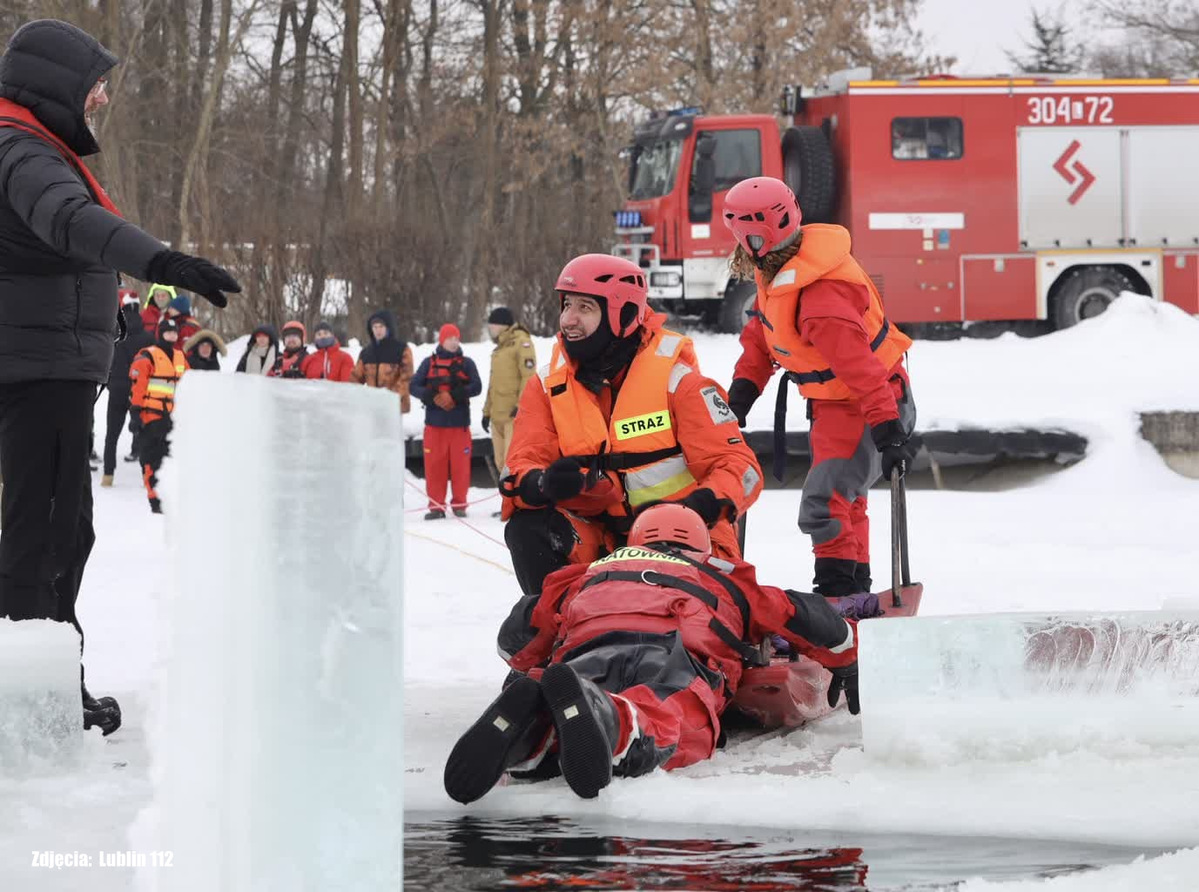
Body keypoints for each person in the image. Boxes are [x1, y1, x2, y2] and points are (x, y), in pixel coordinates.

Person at [0, 19, 239, 736]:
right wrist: (163, 262)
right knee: (44, 538)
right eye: (94, 85)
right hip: (38, 374)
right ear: (54, 87)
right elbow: (72, 222)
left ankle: (47, 687)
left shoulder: (23, 143)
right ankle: (34, 703)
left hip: (45, 368)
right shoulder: (25, 153)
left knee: (60, 533)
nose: (101, 99)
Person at [443, 503, 862, 803]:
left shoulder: (588, 571)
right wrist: (847, 656)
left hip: (587, 644)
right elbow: (803, 613)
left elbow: (517, 634)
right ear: (701, 546)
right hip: (675, 651)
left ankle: (535, 733)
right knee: (673, 712)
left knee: (568, 684)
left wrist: (530, 665)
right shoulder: (722, 574)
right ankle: (618, 725)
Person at [499, 253, 763, 597]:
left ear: (621, 315)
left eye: (585, 308)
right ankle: (564, 631)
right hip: (600, 541)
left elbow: (742, 469)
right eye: (566, 306)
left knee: (677, 611)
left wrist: (702, 506)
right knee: (527, 527)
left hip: (683, 536)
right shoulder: (547, 386)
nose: (569, 320)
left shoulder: (679, 382)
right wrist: (543, 482)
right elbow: (520, 465)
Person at [722, 176, 917, 601]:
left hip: (871, 401)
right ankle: (854, 595)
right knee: (845, 502)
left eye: (743, 236)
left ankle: (837, 596)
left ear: (760, 237)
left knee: (824, 502)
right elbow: (760, 340)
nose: (738, 246)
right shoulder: (777, 271)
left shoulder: (821, 299)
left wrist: (889, 431)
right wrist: (736, 402)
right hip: (834, 402)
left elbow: (863, 370)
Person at [411, 324, 482, 519]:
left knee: (461, 468)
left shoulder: (467, 363)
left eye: (456, 338)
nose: (453, 341)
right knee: (435, 468)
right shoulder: (428, 362)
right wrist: (432, 396)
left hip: (459, 426)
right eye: (450, 338)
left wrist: (455, 395)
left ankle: (460, 505)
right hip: (434, 426)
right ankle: (436, 507)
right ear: (442, 340)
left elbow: (477, 386)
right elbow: (413, 386)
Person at [129, 317, 188, 513]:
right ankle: (154, 497)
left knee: (170, 457)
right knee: (152, 457)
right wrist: (135, 413)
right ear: (160, 333)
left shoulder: (181, 357)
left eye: (174, 332)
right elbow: (138, 386)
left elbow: (190, 384)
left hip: (174, 417)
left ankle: (168, 495)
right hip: (151, 415)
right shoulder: (148, 356)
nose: (171, 335)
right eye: (167, 331)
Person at [482, 306, 537, 507]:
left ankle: (517, 503)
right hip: (497, 415)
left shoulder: (521, 343)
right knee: (500, 462)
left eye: (493, 325)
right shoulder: (499, 349)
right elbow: (493, 383)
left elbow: (528, 376)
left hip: (513, 416)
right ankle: (508, 501)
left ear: (503, 325)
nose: (491, 329)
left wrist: (520, 405)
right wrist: (486, 412)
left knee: (511, 462)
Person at [100, 294, 153, 487]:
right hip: (138, 391)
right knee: (143, 433)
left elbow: (106, 360)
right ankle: (145, 475)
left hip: (117, 390)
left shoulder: (114, 335)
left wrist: (109, 381)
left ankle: (108, 475)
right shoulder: (148, 338)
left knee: (111, 435)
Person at [350, 309, 414, 413]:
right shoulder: (366, 352)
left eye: (381, 327)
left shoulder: (401, 349)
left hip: (395, 405)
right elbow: (356, 377)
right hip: (372, 405)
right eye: (375, 327)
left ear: (388, 328)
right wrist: (349, 393)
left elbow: (406, 377)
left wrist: (390, 397)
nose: (378, 330)